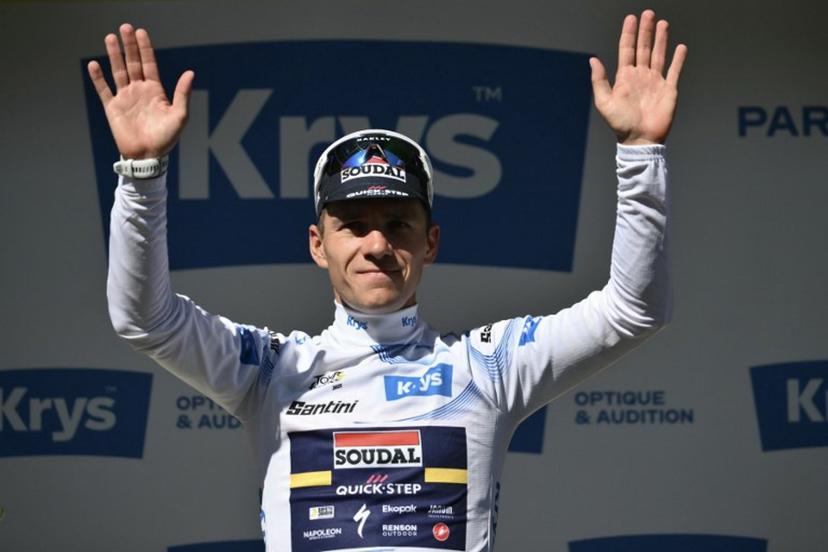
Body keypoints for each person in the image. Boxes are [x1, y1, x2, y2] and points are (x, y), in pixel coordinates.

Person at [88, 10, 686, 552]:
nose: (377, 245)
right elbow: (145, 319)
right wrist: (141, 174)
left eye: (398, 223)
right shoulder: (272, 369)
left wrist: (639, 153)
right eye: (353, 225)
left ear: (430, 242)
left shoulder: (492, 366)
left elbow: (633, 311)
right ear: (318, 245)